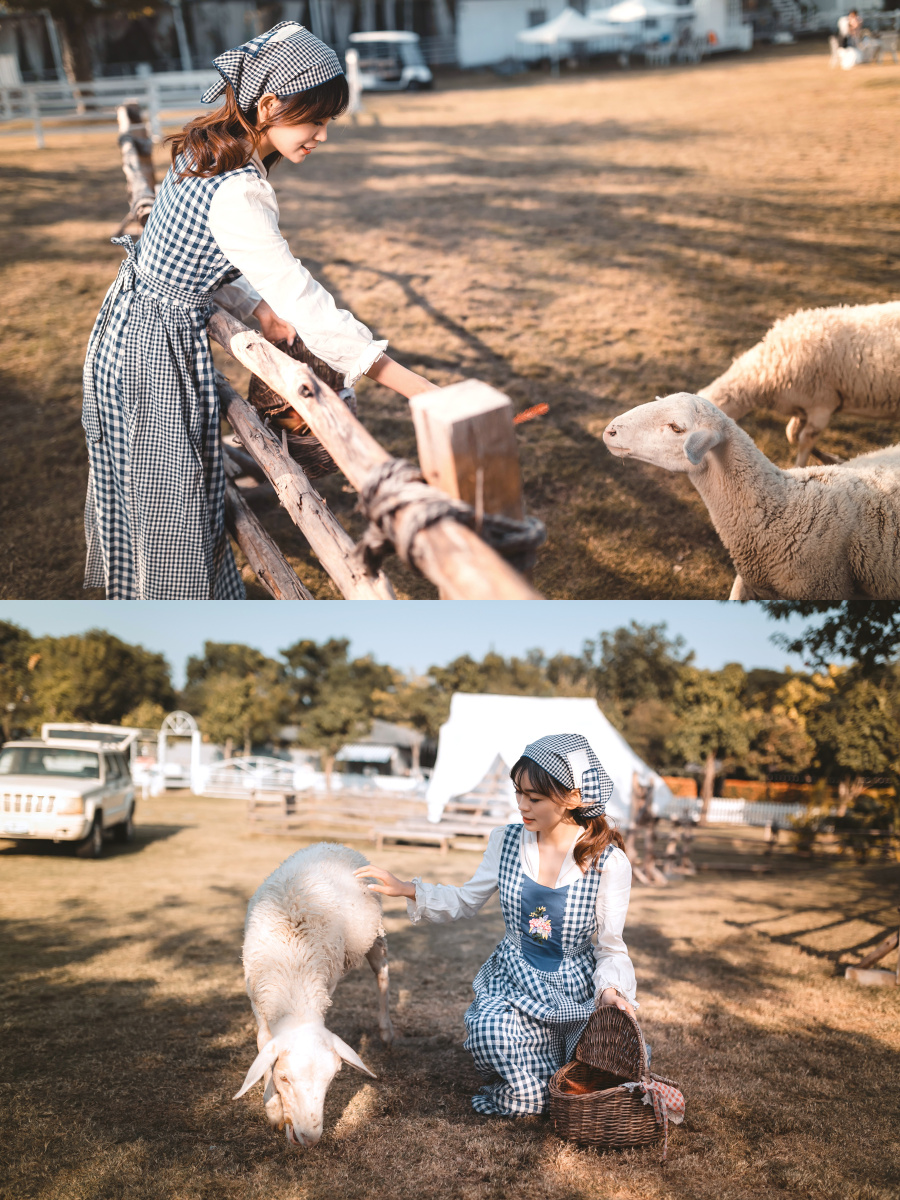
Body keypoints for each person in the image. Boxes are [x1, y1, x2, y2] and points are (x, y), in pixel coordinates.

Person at [81, 21, 438, 600]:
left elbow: (195, 263)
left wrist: (256, 307)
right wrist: (416, 388)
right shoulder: (239, 188)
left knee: (146, 489)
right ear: (269, 103)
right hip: (152, 354)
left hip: (128, 326)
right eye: (313, 118)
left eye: (328, 121)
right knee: (174, 501)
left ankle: (144, 596)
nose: (322, 134)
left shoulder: (209, 148)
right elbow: (306, 300)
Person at [356, 733, 638, 1116]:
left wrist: (609, 991)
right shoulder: (506, 842)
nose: (522, 805)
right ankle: (535, 1084)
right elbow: (465, 900)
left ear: (573, 797)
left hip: (573, 988)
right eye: (517, 792)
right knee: (492, 1035)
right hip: (514, 979)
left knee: (589, 1071)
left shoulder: (609, 862)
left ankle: (551, 1079)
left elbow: (609, 946)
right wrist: (407, 889)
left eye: (534, 798)